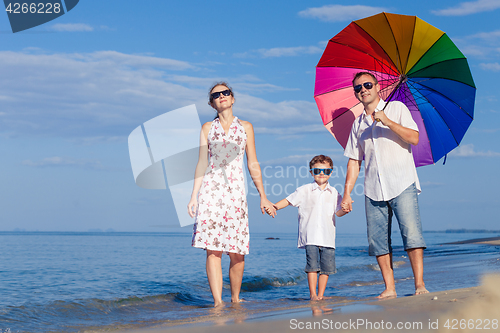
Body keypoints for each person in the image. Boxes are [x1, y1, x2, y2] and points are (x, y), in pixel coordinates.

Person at [188, 82, 276, 307]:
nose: (221, 97)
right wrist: (193, 196)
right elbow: (201, 163)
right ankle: (218, 302)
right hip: (211, 195)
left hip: (236, 197)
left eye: (225, 93)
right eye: (216, 95)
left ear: (233, 98)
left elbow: (252, 162)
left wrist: (263, 196)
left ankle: (235, 297)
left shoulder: (245, 127)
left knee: (237, 252)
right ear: (211, 103)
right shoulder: (207, 128)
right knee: (213, 251)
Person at [341, 72, 428, 298]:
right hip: (372, 189)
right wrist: (346, 193)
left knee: (411, 234)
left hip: (402, 182)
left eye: (367, 85)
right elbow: (353, 161)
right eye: (358, 88)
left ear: (378, 87)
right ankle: (390, 288)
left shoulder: (397, 108)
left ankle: (419, 285)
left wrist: (387, 121)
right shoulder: (357, 124)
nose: (363, 90)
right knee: (378, 241)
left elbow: (414, 138)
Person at [269, 155, 347, 301]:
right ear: (311, 172)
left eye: (326, 171)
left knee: (326, 269)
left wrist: (346, 209)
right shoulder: (304, 190)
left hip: (328, 237)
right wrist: (275, 207)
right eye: (317, 170)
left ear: (331, 172)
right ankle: (313, 294)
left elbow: (339, 212)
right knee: (312, 266)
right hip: (310, 235)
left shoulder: (335, 192)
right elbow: (288, 200)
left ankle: (321, 295)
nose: (322, 174)